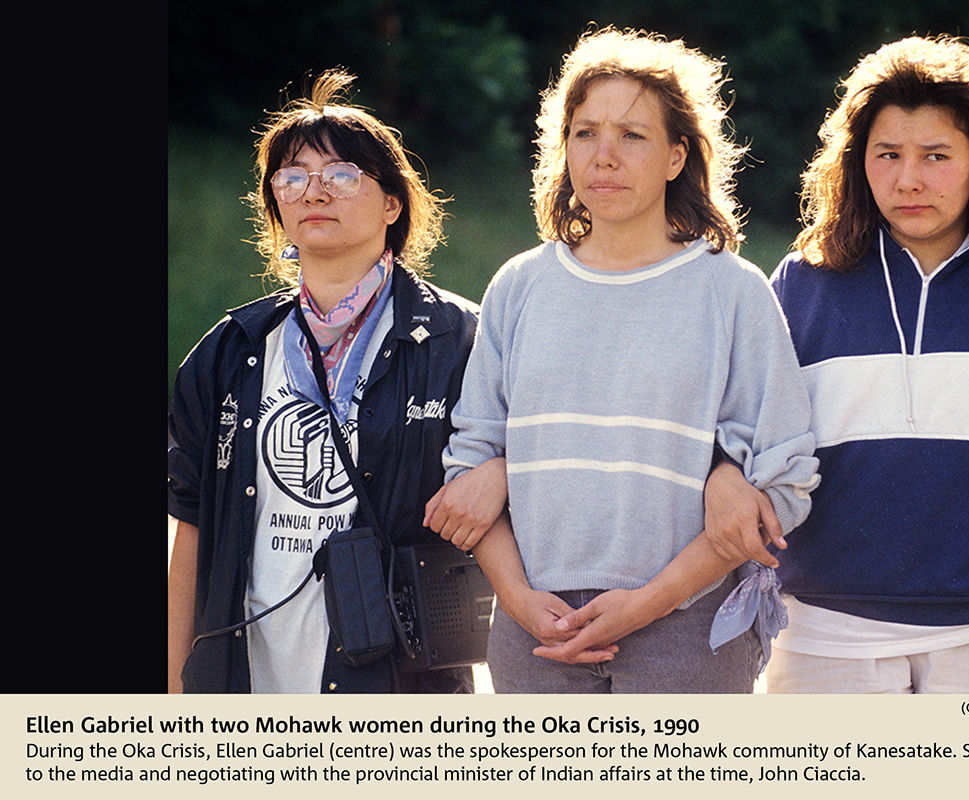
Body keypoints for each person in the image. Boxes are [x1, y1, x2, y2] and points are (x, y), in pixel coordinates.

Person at [426, 28, 819, 693]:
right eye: (584, 133)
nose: (604, 156)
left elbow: (784, 479)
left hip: (686, 632)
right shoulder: (519, 286)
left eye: (632, 136)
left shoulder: (733, 292)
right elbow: (470, 463)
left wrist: (651, 602)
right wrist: (520, 602)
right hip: (535, 634)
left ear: (675, 156)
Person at [744, 36, 969, 693]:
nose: (908, 179)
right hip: (829, 638)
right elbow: (748, 446)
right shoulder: (802, 286)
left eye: (936, 156)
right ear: (859, 164)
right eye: (888, 155)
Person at [167, 69, 479, 693]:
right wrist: (174, 690)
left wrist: (496, 470)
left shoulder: (458, 340)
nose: (314, 191)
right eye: (292, 176)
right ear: (276, 205)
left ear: (393, 203)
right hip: (248, 674)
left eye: (341, 175)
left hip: (395, 684)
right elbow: (191, 532)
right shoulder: (231, 351)